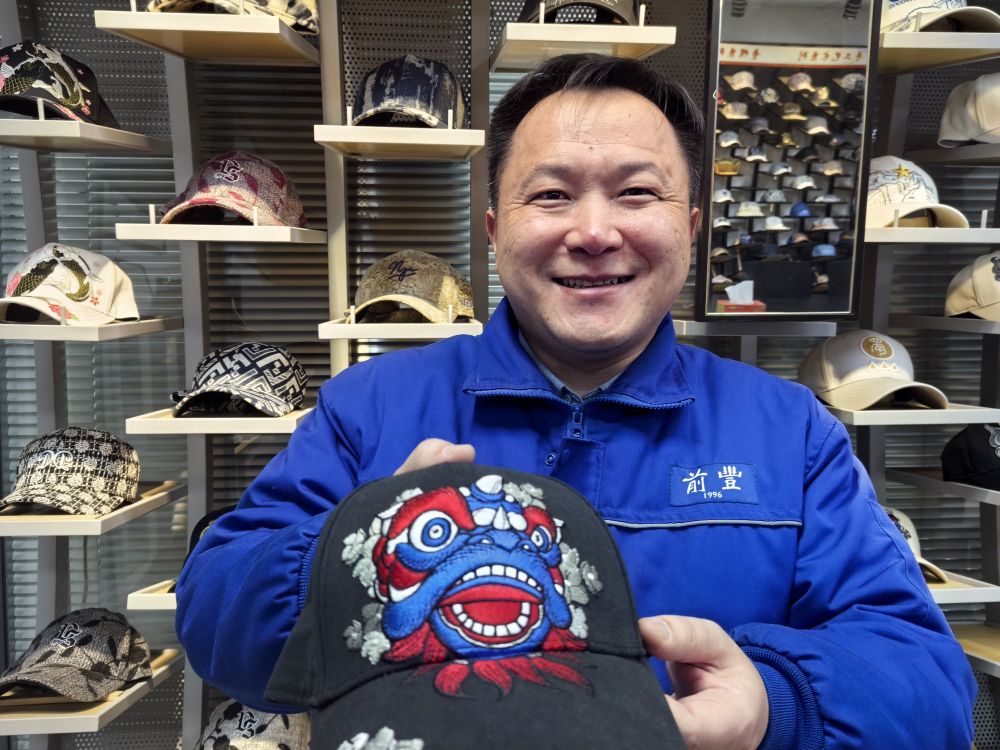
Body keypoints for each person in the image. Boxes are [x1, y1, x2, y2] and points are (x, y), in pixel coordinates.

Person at [176, 54, 976, 749]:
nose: (593, 232)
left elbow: (929, 687)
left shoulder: (791, 433)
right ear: (494, 230)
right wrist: (362, 543)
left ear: (692, 227)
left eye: (637, 192)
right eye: (552, 195)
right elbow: (215, 621)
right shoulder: (369, 408)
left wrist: (776, 703)